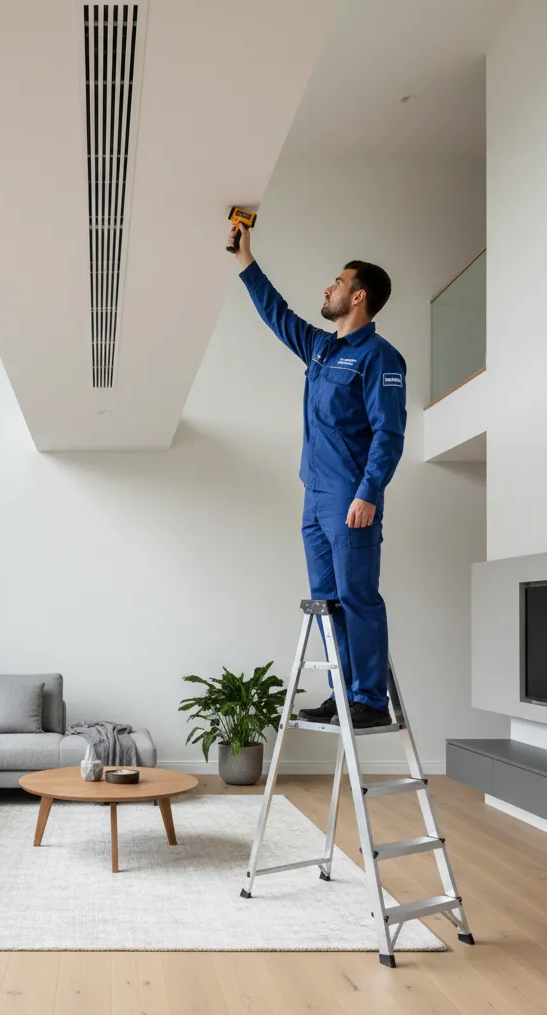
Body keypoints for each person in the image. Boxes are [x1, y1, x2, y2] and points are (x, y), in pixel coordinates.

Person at [230, 222, 406, 728]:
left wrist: (369, 493)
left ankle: (370, 700)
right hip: (314, 497)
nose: (328, 289)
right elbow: (276, 314)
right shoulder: (323, 349)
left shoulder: (380, 358)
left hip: (350, 498)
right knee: (328, 603)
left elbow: (388, 434)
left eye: (337, 282)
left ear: (359, 296)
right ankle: (342, 694)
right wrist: (246, 260)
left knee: (357, 597)